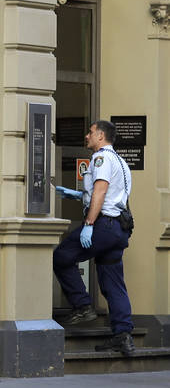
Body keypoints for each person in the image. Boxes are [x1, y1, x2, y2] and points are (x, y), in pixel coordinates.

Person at [53, 120, 134, 355]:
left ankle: (82, 305)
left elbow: (100, 191)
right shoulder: (119, 160)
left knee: (62, 256)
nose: (86, 136)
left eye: (90, 132)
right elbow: (110, 194)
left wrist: (89, 223)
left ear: (100, 136)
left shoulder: (101, 159)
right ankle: (123, 335)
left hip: (103, 225)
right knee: (113, 282)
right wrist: (78, 195)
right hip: (118, 229)